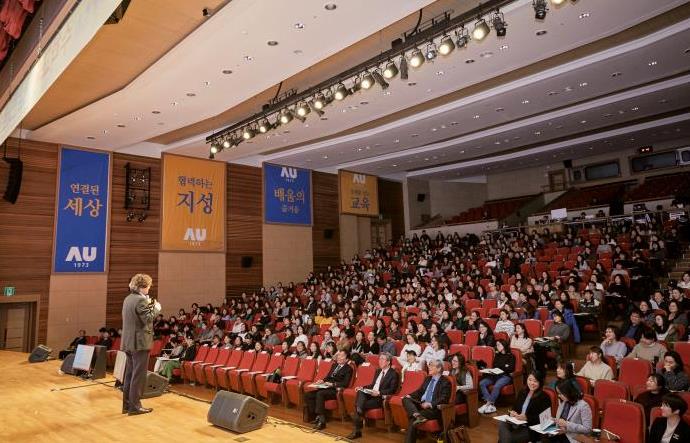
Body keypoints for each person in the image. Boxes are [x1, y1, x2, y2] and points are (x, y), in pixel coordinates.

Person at [121, 273, 160, 416]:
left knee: (129, 375)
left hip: (128, 342)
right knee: (138, 376)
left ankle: (127, 405)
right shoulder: (140, 300)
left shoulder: (128, 299)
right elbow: (148, 318)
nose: (149, 289)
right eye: (148, 286)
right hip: (140, 343)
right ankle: (135, 407)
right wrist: (155, 307)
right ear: (142, 287)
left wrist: (149, 304)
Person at [348, 353, 400, 440]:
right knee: (360, 392)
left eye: (382, 359)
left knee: (358, 405)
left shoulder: (393, 374)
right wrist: (363, 387)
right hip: (371, 394)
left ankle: (357, 428)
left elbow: (392, 390)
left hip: (379, 398)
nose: (380, 361)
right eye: (379, 359)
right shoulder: (378, 371)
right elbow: (373, 385)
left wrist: (379, 393)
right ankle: (359, 413)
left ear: (388, 362)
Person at [402, 359, 451, 443]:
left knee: (413, 420)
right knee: (405, 399)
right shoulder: (428, 378)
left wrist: (430, 404)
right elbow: (419, 391)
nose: (429, 367)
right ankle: (417, 415)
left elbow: (444, 398)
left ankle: (416, 417)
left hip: (433, 409)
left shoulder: (445, 382)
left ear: (439, 369)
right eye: (429, 365)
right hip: (421, 404)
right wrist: (410, 395)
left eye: (432, 365)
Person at [497, 371, 552, 443]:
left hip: (530, 428)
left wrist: (527, 418)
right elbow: (514, 408)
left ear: (540, 382)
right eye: (530, 380)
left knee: (505, 438)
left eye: (535, 381)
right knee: (502, 423)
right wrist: (512, 413)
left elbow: (545, 419)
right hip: (516, 422)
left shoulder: (544, 397)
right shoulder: (522, 392)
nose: (532, 383)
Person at [305, 350, 353, 430]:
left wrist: (333, 384)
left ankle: (322, 421)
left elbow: (345, 383)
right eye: (338, 355)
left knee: (320, 394)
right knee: (308, 394)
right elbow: (328, 377)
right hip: (326, 387)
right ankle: (317, 416)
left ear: (347, 359)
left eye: (341, 356)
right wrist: (322, 381)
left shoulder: (348, 369)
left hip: (335, 389)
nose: (339, 357)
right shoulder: (334, 365)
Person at [478, 339, 516, 414]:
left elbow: (510, 368)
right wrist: (504, 366)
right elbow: (495, 365)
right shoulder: (497, 355)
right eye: (497, 345)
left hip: (505, 376)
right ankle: (490, 403)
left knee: (496, 386)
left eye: (499, 345)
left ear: (504, 345)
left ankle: (488, 404)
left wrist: (502, 367)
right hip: (495, 375)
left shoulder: (511, 356)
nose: (497, 346)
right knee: (482, 383)